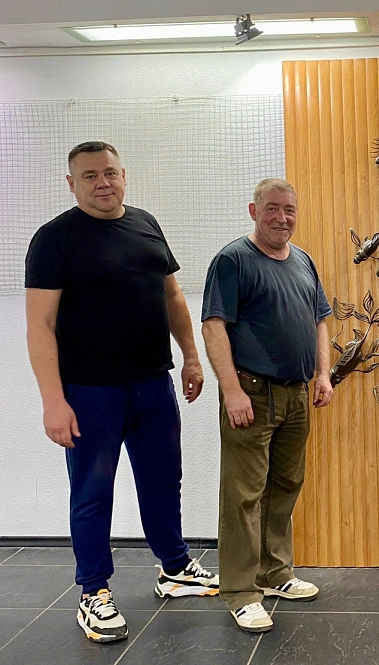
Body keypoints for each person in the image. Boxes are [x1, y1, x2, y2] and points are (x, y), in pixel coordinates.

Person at [25, 142, 219, 644]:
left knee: (163, 481)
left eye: (109, 172)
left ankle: (175, 567)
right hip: (90, 392)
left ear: (124, 175)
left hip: (153, 382)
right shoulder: (54, 239)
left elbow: (171, 294)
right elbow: (40, 326)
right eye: (89, 176)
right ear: (72, 184)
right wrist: (53, 401)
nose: (102, 182)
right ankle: (94, 591)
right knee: (93, 492)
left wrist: (191, 356)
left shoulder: (146, 224)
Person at [201, 177, 333, 633]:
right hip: (251, 394)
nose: (282, 217)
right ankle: (240, 591)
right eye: (272, 208)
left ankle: (275, 573)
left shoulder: (303, 261)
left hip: (296, 394)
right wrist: (231, 390)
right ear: (254, 211)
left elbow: (319, 320)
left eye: (289, 209)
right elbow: (213, 326)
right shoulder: (233, 260)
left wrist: (323, 373)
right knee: (243, 495)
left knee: (285, 486)